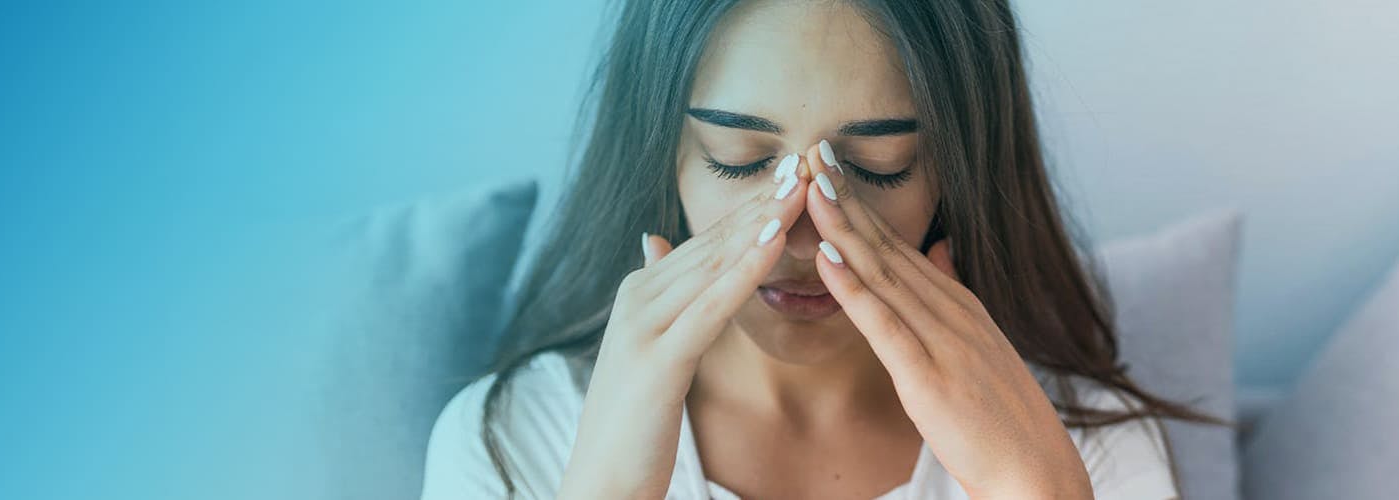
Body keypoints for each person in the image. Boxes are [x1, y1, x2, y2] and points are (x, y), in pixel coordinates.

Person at [422, 1, 1217, 498]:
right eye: (739, 157)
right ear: (665, 153)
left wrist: (1032, 491)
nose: (802, 232)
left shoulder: (1087, 444)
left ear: (957, 168)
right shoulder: (513, 436)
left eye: (877, 167)